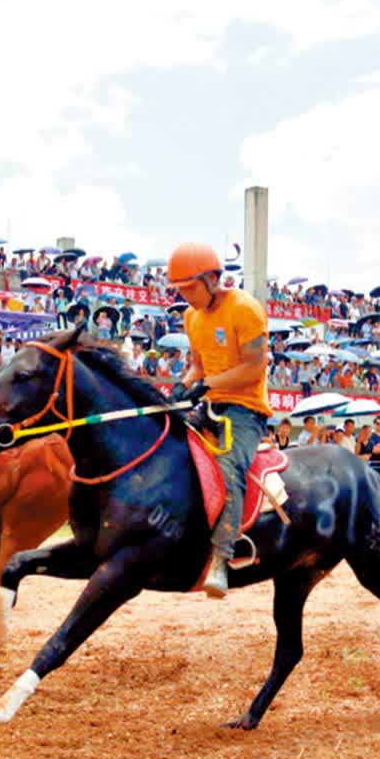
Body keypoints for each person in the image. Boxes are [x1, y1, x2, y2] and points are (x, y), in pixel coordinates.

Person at [167, 241, 271, 599]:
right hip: (207, 403)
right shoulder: (191, 317)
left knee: (228, 469)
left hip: (245, 411)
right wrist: (181, 388)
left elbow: (254, 367)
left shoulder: (245, 309)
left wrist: (205, 385)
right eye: (179, 289)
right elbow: (196, 366)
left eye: (189, 287)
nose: (185, 295)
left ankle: (222, 559)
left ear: (212, 278)